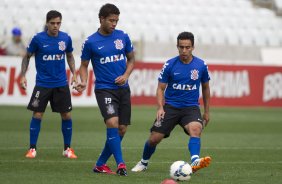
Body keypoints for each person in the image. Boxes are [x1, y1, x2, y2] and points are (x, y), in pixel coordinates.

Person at [131, 32, 211, 173]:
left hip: (190, 107)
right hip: (171, 107)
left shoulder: (201, 65)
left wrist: (207, 112)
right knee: (154, 138)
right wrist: (160, 107)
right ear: (177, 46)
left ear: (193, 47)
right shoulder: (169, 64)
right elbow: (160, 89)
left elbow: (205, 88)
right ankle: (143, 163)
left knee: (196, 129)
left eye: (187, 47)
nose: (184, 50)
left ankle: (195, 161)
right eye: (181, 47)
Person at [75, 3, 135, 176]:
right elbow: (84, 65)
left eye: (116, 20)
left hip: (123, 88)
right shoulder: (91, 41)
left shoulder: (123, 37)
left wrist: (126, 75)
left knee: (122, 129)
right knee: (112, 123)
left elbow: (131, 60)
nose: (114, 24)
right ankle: (121, 164)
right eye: (111, 20)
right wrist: (84, 81)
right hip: (104, 89)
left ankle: (100, 164)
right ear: (101, 19)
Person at [20, 10, 78, 159]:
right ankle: (32, 148)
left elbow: (70, 56)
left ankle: (67, 149)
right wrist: (23, 75)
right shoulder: (38, 39)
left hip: (61, 84)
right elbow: (27, 57)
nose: (55, 26)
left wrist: (74, 73)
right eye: (52, 23)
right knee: (38, 114)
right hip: (43, 84)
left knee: (66, 115)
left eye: (58, 23)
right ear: (47, 23)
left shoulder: (65, 38)